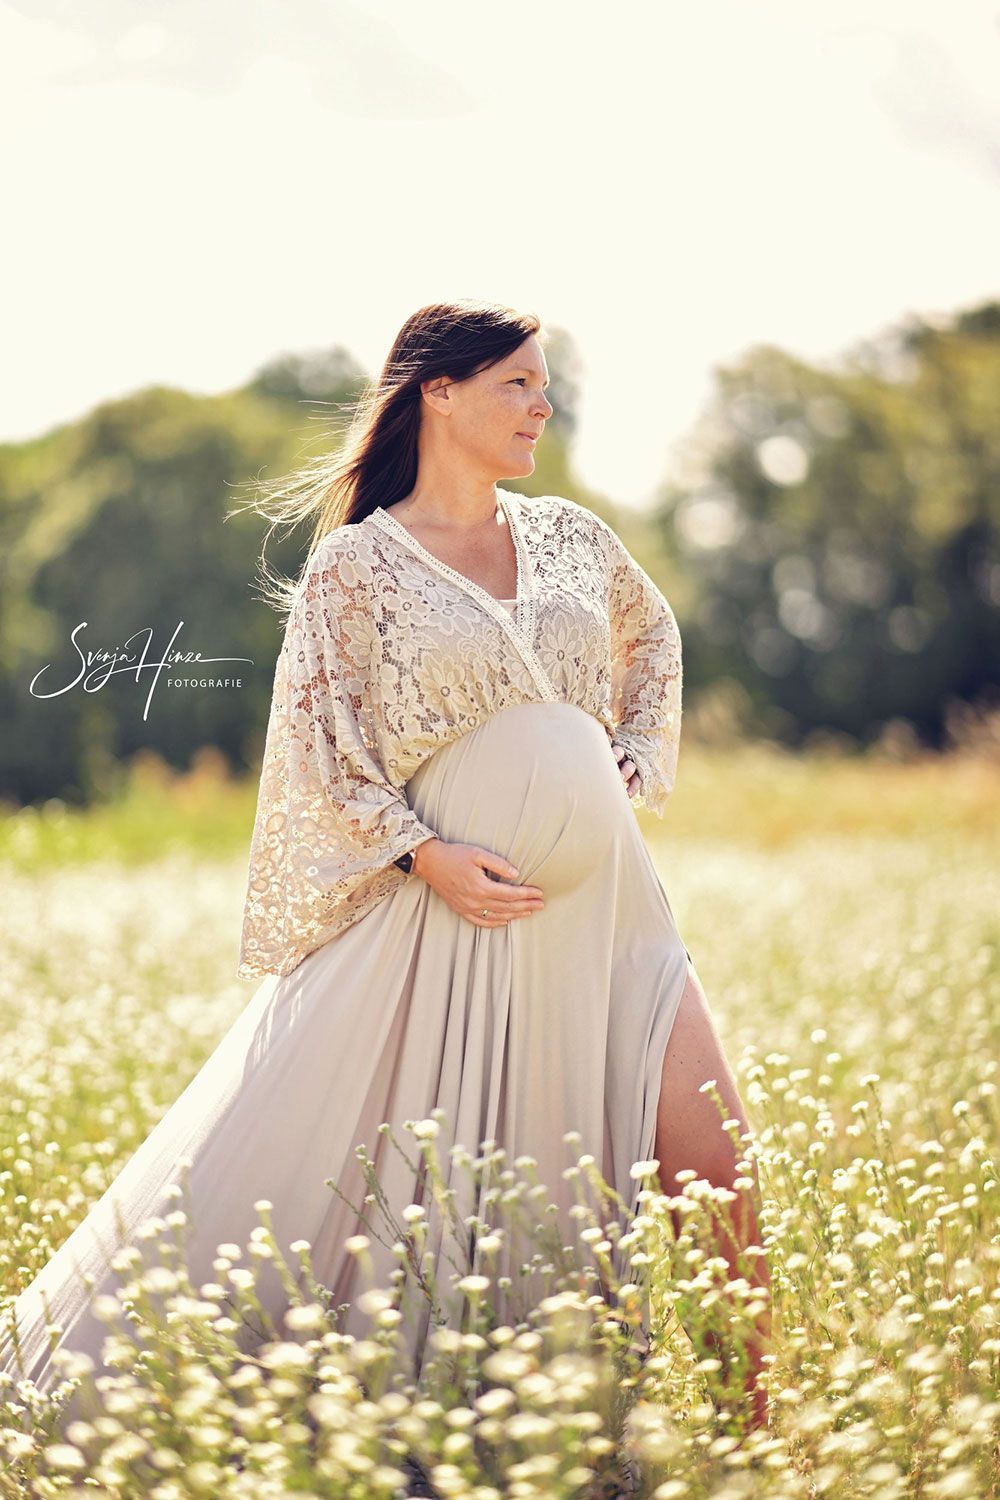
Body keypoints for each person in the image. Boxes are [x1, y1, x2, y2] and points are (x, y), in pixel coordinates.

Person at [0, 299, 770, 1433]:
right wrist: (423, 856)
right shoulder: (355, 567)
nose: (541, 404)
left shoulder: (569, 536)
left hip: (615, 912)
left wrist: (629, 755)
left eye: (542, 383)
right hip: (454, 919)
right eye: (516, 382)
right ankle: (461, 1419)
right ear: (436, 392)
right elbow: (318, 749)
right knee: (418, 1189)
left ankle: (756, 1429)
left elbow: (651, 639)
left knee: (718, 1153)